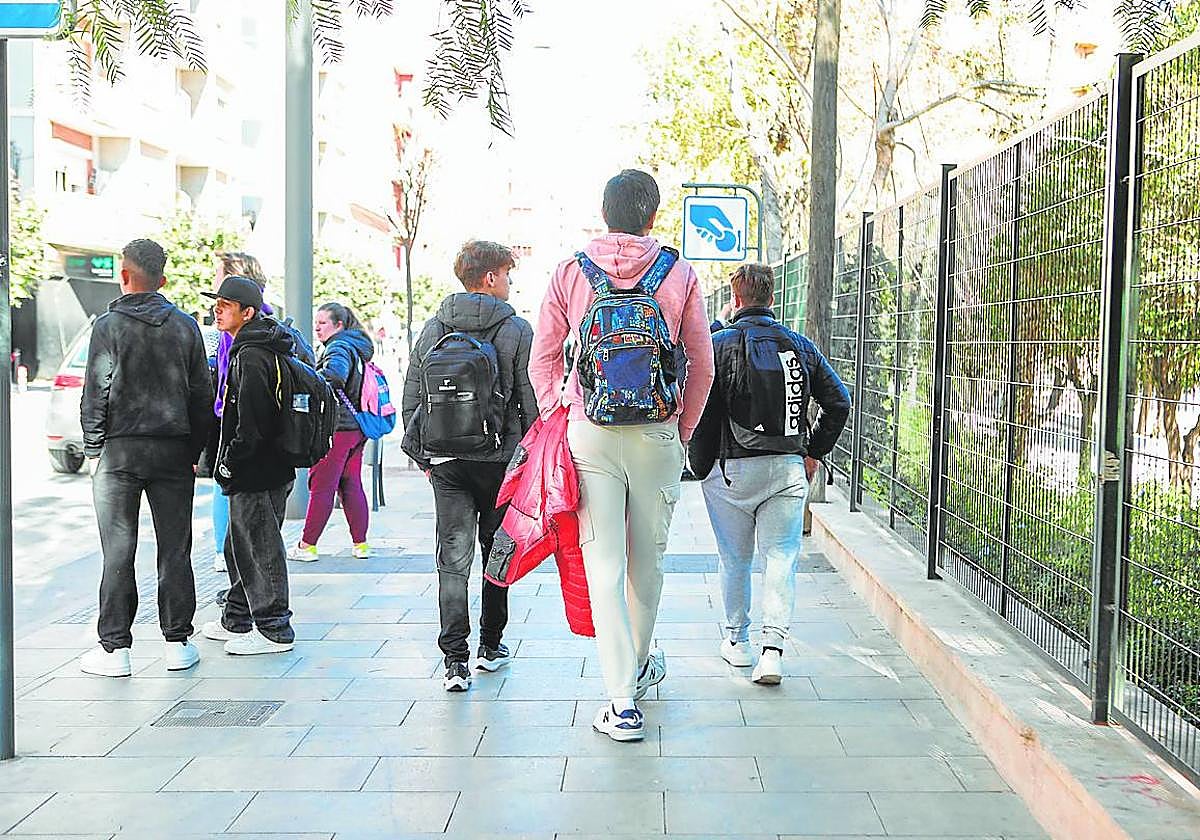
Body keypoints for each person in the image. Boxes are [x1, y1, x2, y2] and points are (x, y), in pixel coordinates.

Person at [529, 169, 715, 742]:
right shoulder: (679, 272)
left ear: (603, 213)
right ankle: (636, 668)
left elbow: (543, 359)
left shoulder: (568, 271)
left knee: (602, 565)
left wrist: (557, 417)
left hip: (589, 430)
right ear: (652, 216)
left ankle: (620, 702)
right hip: (657, 433)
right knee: (647, 564)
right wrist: (679, 433)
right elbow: (701, 365)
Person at [688, 263, 850, 685]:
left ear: (735, 298)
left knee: (735, 558)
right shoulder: (799, 345)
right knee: (781, 557)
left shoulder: (717, 344)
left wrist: (696, 461)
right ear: (773, 298)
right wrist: (813, 451)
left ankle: (737, 642)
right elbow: (839, 402)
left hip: (729, 471)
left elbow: (696, 405)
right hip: (787, 469)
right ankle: (773, 651)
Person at [401, 240, 536, 691]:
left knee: (452, 559)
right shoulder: (516, 330)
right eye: (507, 275)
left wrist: (425, 455)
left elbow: (413, 393)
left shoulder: (434, 326)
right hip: (499, 461)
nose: (510, 284)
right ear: (491, 278)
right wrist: (529, 457)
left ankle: (454, 661)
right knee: (497, 551)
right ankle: (490, 646)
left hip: (448, 463)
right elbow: (529, 399)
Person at [79, 239, 213, 677]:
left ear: (124, 275)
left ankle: (116, 650)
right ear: (164, 279)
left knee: (118, 550)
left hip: (121, 451)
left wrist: (95, 447)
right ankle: (178, 642)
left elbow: (95, 390)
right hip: (173, 451)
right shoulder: (185, 326)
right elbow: (201, 395)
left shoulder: (109, 326)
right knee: (176, 549)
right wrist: (195, 451)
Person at [200, 275, 298, 655]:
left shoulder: (254, 355)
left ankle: (275, 629)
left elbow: (254, 422)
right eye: (217, 303)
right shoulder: (250, 347)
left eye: (226, 305)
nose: (217, 310)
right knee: (239, 546)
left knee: (260, 547)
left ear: (248, 312)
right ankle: (238, 618)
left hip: (259, 468)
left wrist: (231, 461)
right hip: (261, 467)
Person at [289, 302, 375, 561]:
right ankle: (360, 544)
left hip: (337, 427)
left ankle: (307, 546)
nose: (317, 327)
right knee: (351, 484)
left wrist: (309, 377)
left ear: (339, 325)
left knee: (321, 485)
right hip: (357, 427)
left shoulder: (337, 346)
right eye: (316, 322)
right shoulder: (356, 346)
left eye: (323, 323)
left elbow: (334, 377)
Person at [209, 251, 272, 574]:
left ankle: (232, 566)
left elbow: (240, 391)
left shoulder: (249, 338)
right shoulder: (260, 326)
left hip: (240, 428)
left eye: (218, 276)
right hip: (239, 424)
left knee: (231, 491)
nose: (214, 283)